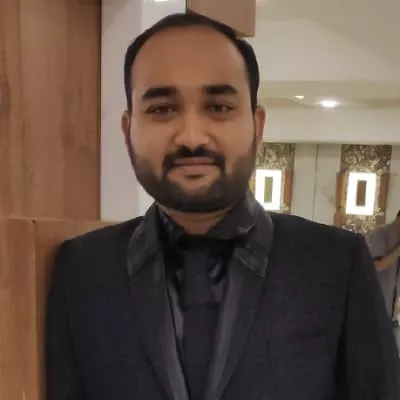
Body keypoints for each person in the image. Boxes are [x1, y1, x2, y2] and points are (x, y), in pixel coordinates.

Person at [45, 13, 400, 400]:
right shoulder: (83, 269)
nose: (191, 137)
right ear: (128, 131)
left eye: (218, 107)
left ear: (257, 127)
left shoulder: (335, 263)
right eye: (162, 109)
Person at [367, 211, 400, 353]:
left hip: (392, 318)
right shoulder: (379, 234)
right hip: (373, 316)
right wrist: (397, 252)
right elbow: (372, 267)